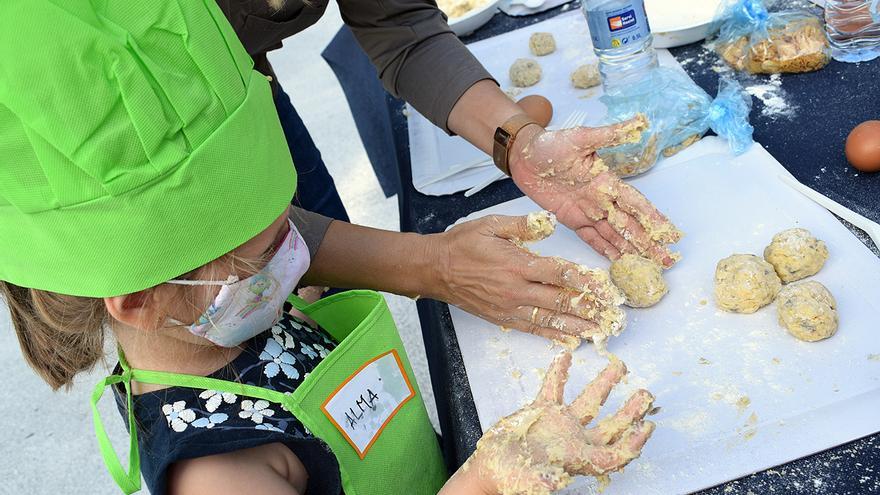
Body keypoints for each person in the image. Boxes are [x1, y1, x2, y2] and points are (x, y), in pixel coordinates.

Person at [0, 2, 659, 494]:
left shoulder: (220, 316)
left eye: (288, 227)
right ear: (142, 300)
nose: (298, 257)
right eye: (270, 256)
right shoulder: (218, 474)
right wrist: (484, 481)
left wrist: (511, 139)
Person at [217, 0, 683, 268]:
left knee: (338, 312)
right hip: (170, 173)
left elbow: (400, 26)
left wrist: (518, 141)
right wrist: (434, 264)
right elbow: (203, 253)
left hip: (245, 82)